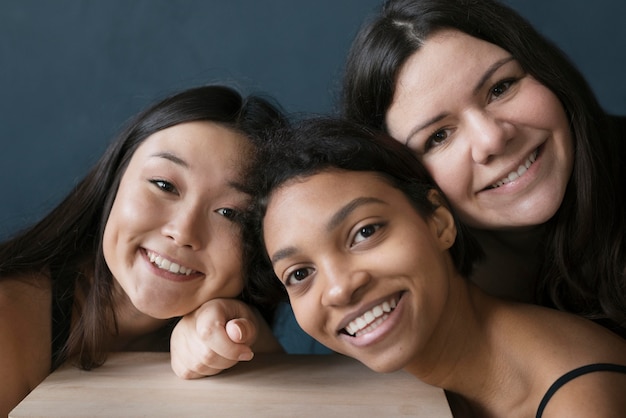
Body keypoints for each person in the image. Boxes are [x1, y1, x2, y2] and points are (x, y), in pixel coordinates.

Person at [246, 117, 626, 418]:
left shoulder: (584, 400)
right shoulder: (421, 372)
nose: (339, 289)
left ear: (439, 222)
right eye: (299, 274)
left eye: (365, 232)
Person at [339, 0, 626, 337]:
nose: (491, 140)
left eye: (500, 88)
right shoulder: (413, 299)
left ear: (547, 73)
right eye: (439, 137)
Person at [0, 85, 283, 416]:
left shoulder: (223, 335)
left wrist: (247, 333)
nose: (182, 232)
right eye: (164, 186)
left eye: (230, 213)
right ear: (115, 181)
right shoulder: (8, 320)